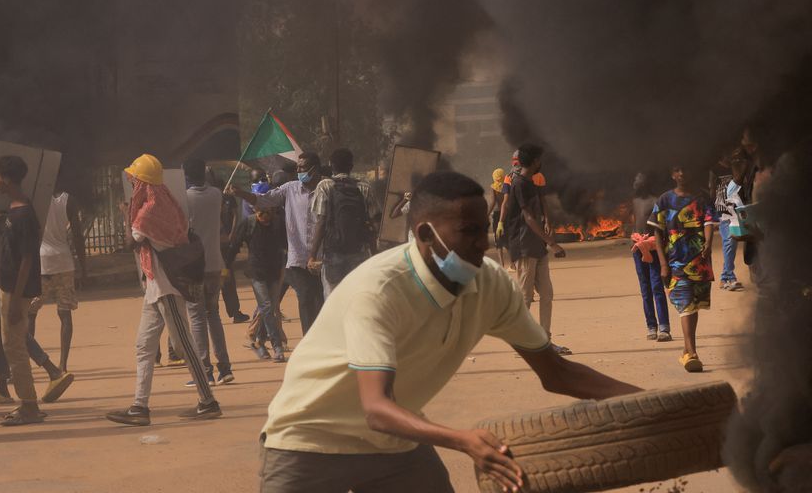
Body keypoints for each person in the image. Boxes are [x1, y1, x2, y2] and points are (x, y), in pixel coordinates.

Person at [258, 171, 641, 492]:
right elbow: (376, 408)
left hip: (394, 446)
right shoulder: (380, 290)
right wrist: (462, 440)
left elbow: (557, 373)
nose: (483, 243)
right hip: (310, 440)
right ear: (425, 234)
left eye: (484, 229)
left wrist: (655, 403)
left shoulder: (491, 285)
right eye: (468, 231)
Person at [106, 154, 221, 425]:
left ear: (142, 182)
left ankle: (208, 401)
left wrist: (125, 215)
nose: (132, 185)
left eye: (134, 180)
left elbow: (130, 243)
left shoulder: (148, 212)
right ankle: (139, 407)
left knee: (183, 345)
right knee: (144, 345)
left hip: (166, 287)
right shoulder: (168, 201)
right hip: (156, 285)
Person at [229, 152, 325, 336]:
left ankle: (317, 338)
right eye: (298, 167)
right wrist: (241, 193)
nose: (299, 171)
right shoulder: (290, 189)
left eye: (303, 167)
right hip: (297, 259)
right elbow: (263, 199)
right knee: (305, 298)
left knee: (320, 300)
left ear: (315, 169)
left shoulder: (325, 189)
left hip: (321, 259)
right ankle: (307, 339)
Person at [0, 155, 49, 426]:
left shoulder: (23, 214)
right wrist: (1, 227)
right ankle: (27, 403)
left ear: (7, 179)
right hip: (9, 287)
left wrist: (15, 300)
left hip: (15, 291)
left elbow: (27, 258)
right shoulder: (14, 210)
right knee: (12, 345)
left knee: (14, 346)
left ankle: (29, 405)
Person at [503, 144, 571, 355]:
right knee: (525, 297)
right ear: (533, 161)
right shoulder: (519, 183)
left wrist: (545, 239)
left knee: (547, 294)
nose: (541, 162)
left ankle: (545, 341)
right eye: (539, 159)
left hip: (537, 247)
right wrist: (552, 243)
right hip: (524, 246)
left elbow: (539, 210)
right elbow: (529, 218)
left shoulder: (531, 182)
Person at [649, 165, 718, 373]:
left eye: (685, 169)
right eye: (677, 170)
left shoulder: (702, 197)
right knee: (685, 305)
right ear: (672, 174)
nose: (682, 174)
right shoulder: (664, 200)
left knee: (692, 306)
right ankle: (692, 353)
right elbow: (657, 233)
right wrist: (663, 264)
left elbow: (708, 221)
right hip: (675, 263)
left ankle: (687, 350)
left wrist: (708, 242)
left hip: (699, 262)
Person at [183, 158, 234, 386]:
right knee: (213, 314)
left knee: (196, 317)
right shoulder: (216, 194)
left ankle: (205, 371)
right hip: (215, 263)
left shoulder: (185, 198)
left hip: (194, 266)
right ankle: (225, 367)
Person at [307, 148, 378, 297]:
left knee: (332, 297)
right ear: (351, 166)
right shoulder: (364, 187)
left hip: (333, 253)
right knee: (357, 297)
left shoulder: (324, 186)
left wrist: (312, 255)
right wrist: (375, 253)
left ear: (331, 165)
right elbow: (373, 224)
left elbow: (321, 222)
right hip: (359, 251)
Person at [30, 186, 86, 372]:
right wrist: (83, 266)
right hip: (64, 262)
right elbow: (77, 235)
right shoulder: (69, 200)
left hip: (42, 263)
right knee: (65, 314)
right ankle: (63, 365)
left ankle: (30, 360)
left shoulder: (35, 199)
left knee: (30, 312)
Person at [227, 201, 287, 362]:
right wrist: (226, 268)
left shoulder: (278, 223)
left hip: (274, 272)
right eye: (261, 212)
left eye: (268, 211)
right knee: (266, 307)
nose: (265, 216)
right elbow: (235, 246)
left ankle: (258, 342)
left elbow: (286, 245)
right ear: (255, 210)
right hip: (257, 272)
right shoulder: (249, 223)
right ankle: (277, 347)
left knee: (270, 308)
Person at [630, 172, 671, 342]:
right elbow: (635, 222)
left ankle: (664, 327)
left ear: (646, 182)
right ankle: (651, 325)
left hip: (653, 247)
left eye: (638, 178)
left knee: (657, 287)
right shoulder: (634, 201)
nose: (635, 182)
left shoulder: (656, 201)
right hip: (638, 247)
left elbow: (660, 226)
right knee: (645, 289)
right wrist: (635, 238)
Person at [209, 166, 249, 324]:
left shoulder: (227, 199)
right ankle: (212, 312)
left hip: (225, 248)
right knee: (214, 279)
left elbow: (235, 215)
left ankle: (234, 312)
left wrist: (232, 233)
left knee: (227, 277)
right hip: (213, 247)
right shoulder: (208, 200)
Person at [714, 153, 746, 292]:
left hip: (737, 209)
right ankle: (730, 277)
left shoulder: (738, 166)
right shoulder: (715, 169)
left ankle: (724, 278)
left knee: (731, 244)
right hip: (725, 210)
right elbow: (712, 190)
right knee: (729, 241)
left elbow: (739, 184)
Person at [489, 167, 507, 266]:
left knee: (498, 239)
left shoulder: (494, 188)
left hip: (497, 214)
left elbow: (493, 202)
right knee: (508, 238)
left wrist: (487, 214)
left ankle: (502, 263)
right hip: (507, 214)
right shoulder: (507, 186)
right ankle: (513, 263)